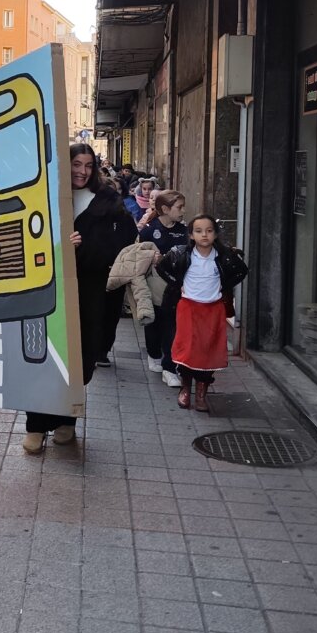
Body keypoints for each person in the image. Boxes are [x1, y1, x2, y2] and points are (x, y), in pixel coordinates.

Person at [23, 143, 138, 453]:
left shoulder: (108, 201)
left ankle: (66, 420)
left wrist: (83, 246)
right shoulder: (44, 195)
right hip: (49, 287)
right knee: (43, 355)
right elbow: (23, 234)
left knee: (80, 357)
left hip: (90, 291)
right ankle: (35, 424)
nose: (82, 171)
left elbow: (123, 240)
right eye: (76, 164)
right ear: (66, 164)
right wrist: (59, 244)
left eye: (88, 165)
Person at [157, 214, 249, 412]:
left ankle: (201, 393)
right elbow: (161, 267)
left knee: (209, 350)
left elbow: (241, 270)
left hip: (213, 308)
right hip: (189, 307)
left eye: (209, 231)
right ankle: (185, 388)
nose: (204, 235)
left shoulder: (224, 256)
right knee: (188, 349)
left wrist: (223, 286)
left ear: (215, 234)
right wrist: (178, 283)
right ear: (191, 235)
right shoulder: (181, 253)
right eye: (198, 231)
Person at [138, 190, 188, 388]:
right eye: (179, 207)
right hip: (155, 283)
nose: (183, 211)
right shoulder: (149, 230)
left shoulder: (184, 231)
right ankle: (153, 353)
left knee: (172, 325)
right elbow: (139, 256)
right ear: (165, 209)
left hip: (176, 286)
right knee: (155, 322)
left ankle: (170, 367)